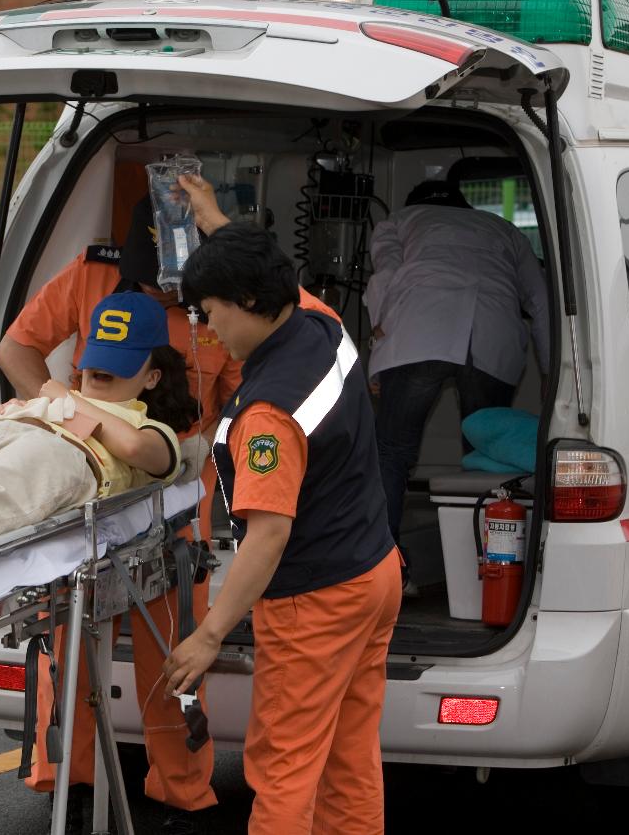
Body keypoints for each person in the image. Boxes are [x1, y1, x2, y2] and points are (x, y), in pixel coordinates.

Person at [0, 195, 239, 831]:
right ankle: (70, 784)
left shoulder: (222, 295)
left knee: (177, 658)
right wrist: (59, 408)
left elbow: (255, 399)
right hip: (89, 501)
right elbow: (15, 351)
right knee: (68, 649)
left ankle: (182, 793)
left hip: (174, 502)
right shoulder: (92, 273)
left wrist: (198, 454)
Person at [163, 220, 402, 835]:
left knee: (283, 768)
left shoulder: (268, 413)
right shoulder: (318, 323)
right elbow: (267, 273)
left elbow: (269, 535)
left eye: (211, 312)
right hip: (374, 572)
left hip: (314, 601)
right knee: (351, 757)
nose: (209, 330)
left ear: (247, 301)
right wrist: (219, 227)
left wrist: (210, 634)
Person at [0, 292, 195, 557]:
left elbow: (134, 447)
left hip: (69, 450)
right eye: (98, 357)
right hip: (6, 426)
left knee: (22, 468)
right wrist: (34, 406)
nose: (98, 370)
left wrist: (63, 399)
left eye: (117, 364)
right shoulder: (52, 397)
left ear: (152, 377)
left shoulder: (146, 426)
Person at [365, 179, 550, 552]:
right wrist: (551, 372)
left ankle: (385, 566)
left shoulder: (399, 221)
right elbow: (541, 300)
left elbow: (384, 276)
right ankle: (485, 562)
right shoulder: (504, 229)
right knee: (485, 452)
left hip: (419, 331)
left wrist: (379, 343)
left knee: (393, 450)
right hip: (492, 332)